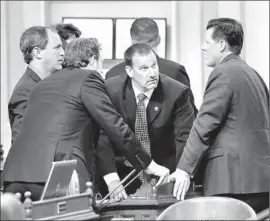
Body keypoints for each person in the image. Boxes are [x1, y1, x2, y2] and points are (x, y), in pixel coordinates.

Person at [2, 38, 170, 201]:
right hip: (58, 174)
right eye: (101, 63)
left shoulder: (42, 84)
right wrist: (148, 164)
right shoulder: (88, 77)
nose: (101, 70)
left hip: (14, 176)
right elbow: (113, 125)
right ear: (92, 60)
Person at [169, 18, 269, 213]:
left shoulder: (223, 72)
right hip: (261, 182)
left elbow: (204, 124)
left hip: (232, 181)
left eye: (207, 42)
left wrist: (184, 169)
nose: (202, 47)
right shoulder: (254, 75)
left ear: (222, 45)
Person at [95, 43, 195, 200]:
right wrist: (112, 178)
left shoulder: (177, 93)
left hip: (164, 173)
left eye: (154, 66)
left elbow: (185, 137)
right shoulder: (110, 91)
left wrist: (183, 171)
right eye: (144, 69)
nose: (153, 73)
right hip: (123, 173)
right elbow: (102, 136)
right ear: (129, 71)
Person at [106, 17, 198, 115]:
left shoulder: (112, 74)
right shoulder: (175, 72)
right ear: (158, 40)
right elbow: (190, 114)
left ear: (132, 41)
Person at [8, 26, 64, 144]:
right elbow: (21, 145)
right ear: (37, 52)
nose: (63, 53)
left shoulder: (44, 85)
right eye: (57, 48)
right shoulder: (26, 91)